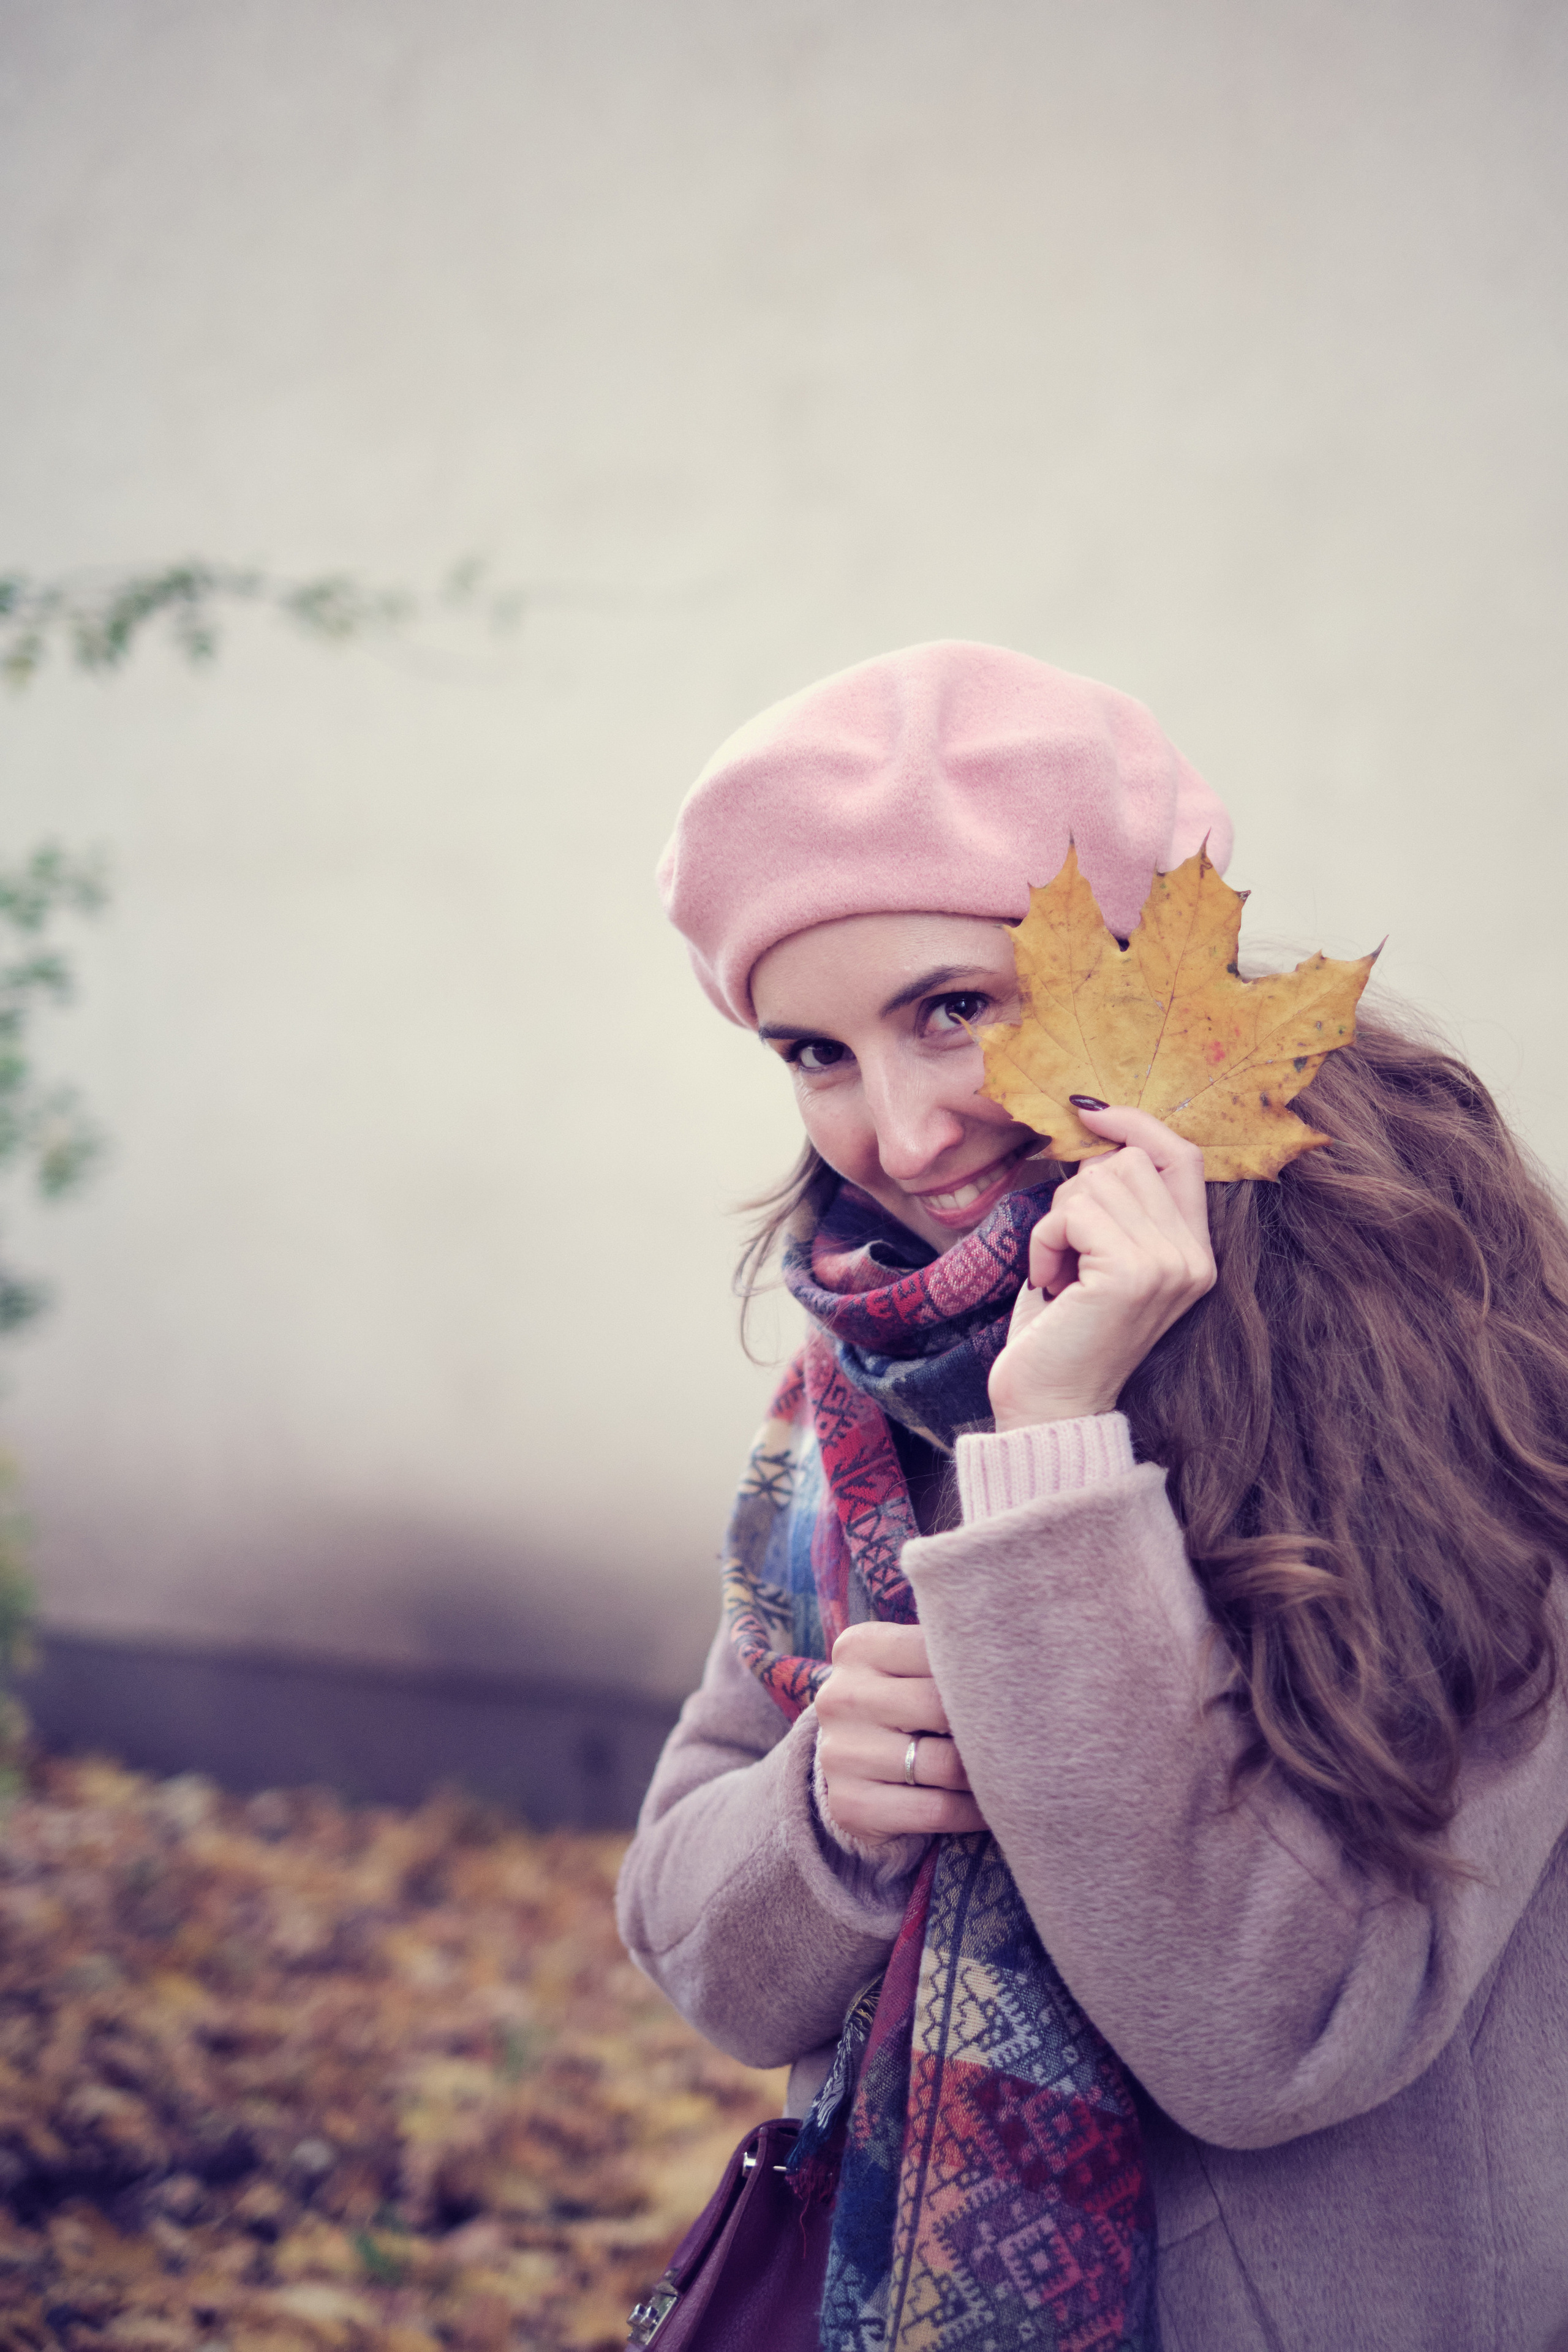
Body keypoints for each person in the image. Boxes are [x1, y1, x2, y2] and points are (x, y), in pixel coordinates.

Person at [616, 640, 1568, 2352]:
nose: (897, 1138)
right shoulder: (862, 1368)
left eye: (953, 1011)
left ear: (1138, 982)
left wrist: (1052, 1450)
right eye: (812, 1054)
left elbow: (1284, 2024)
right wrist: (829, 1807)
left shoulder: (1446, 1351)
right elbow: (692, 1932)